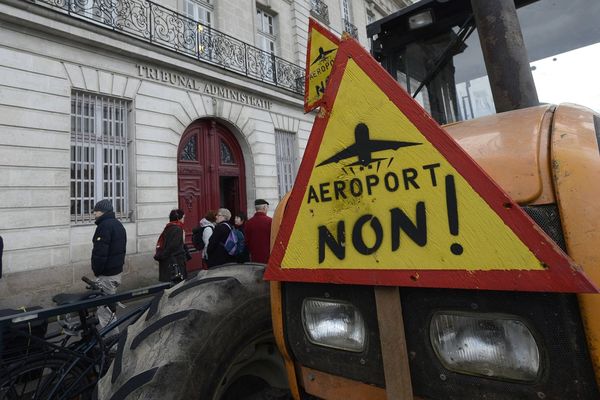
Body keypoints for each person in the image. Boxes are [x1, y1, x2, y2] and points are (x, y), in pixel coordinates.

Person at [91, 199, 126, 328]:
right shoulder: (118, 224)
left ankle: (112, 345)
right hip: (116, 272)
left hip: (107, 275)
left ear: (103, 212)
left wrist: (97, 271)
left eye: (96, 210)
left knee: (105, 312)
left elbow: (100, 253)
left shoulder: (104, 226)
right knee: (108, 308)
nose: (94, 213)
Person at [155, 209, 188, 283]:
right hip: (175, 261)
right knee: (177, 286)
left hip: (168, 261)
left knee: (169, 284)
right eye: (183, 217)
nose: (183, 220)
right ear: (178, 218)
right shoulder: (178, 229)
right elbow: (173, 246)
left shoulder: (168, 227)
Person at [244, 199, 272, 264]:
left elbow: (246, 241)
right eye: (267, 207)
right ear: (264, 207)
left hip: (254, 255)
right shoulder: (270, 221)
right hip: (268, 255)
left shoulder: (249, 222)